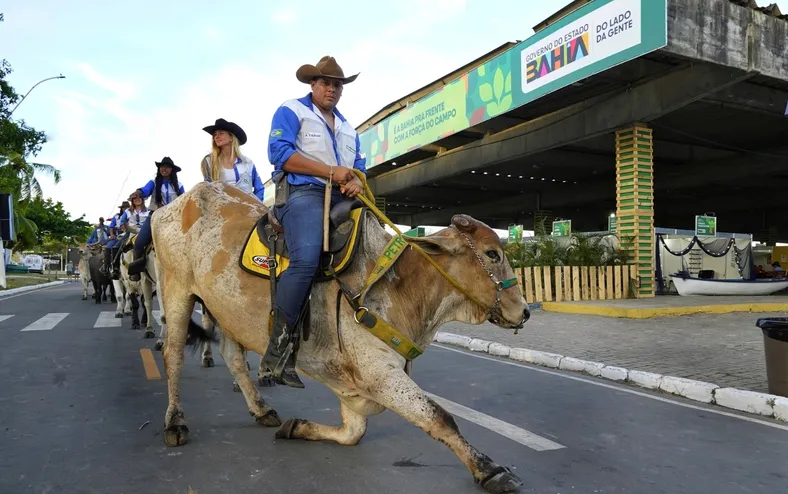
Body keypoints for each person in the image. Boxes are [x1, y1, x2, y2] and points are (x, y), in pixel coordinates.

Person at [263, 55, 366, 388]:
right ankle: (276, 353)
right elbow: (279, 153)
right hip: (303, 193)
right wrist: (331, 172)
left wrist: (358, 182)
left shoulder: (349, 127)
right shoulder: (292, 110)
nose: (332, 89)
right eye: (325, 83)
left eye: (337, 85)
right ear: (313, 84)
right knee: (306, 260)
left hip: (342, 197)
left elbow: (360, 165)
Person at [126, 157, 185, 281]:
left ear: (172, 170)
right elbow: (145, 190)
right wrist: (138, 192)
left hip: (175, 219)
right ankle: (137, 271)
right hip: (155, 217)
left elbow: (184, 200)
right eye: (161, 167)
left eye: (167, 167)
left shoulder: (179, 185)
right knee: (139, 243)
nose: (164, 169)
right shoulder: (153, 182)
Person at [200, 118, 265, 201]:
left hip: (247, 210)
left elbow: (259, 188)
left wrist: (258, 208)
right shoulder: (209, 161)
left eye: (221, 133)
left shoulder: (248, 163)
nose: (217, 136)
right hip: (222, 210)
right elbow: (208, 190)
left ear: (231, 137)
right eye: (215, 134)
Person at [102, 201, 130, 278]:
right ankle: (107, 267)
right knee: (108, 247)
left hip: (128, 233)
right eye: (124, 208)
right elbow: (111, 226)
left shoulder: (132, 215)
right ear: (122, 209)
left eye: (127, 208)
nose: (125, 209)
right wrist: (112, 234)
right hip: (117, 235)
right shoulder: (116, 216)